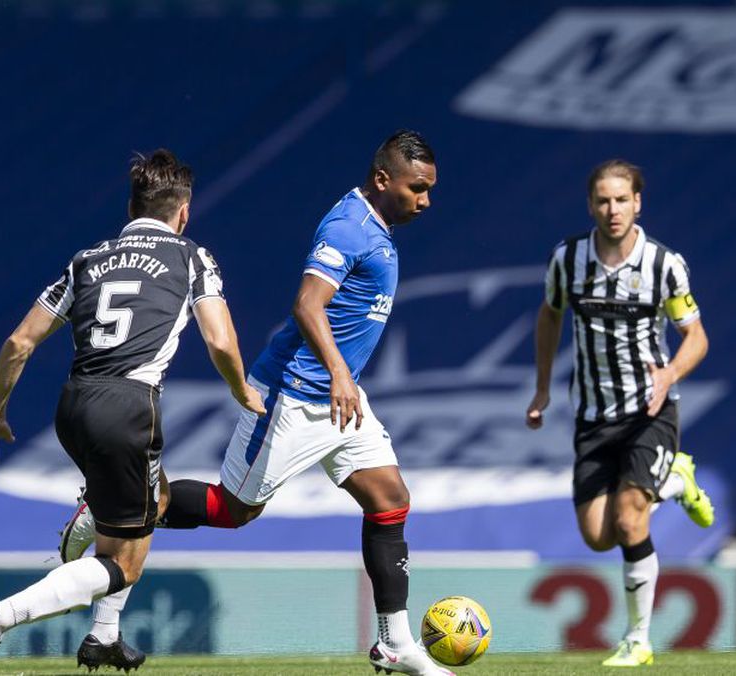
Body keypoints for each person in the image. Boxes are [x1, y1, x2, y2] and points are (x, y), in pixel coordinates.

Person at [60, 130, 452, 676]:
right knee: (234, 510)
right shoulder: (347, 227)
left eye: (429, 189)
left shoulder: (376, 228)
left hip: (340, 397)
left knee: (389, 499)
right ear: (383, 179)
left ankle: (395, 643)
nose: (425, 200)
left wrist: (344, 379)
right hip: (293, 395)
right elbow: (307, 304)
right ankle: (114, 505)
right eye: (417, 188)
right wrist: (339, 372)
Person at [0, 149, 265, 676]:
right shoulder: (190, 256)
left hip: (73, 406)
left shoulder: (87, 259)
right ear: (183, 210)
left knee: (157, 499)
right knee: (122, 562)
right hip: (130, 409)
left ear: (131, 206)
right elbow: (220, 340)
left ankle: (104, 636)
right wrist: (240, 390)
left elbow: (18, 342)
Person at [525, 159, 714, 667]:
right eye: (603, 201)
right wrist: (543, 388)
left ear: (638, 203)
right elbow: (550, 314)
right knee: (597, 534)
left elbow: (695, 337)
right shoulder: (568, 260)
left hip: (648, 411)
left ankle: (638, 639)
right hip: (592, 415)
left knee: (631, 520)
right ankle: (675, 482)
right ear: (591, 205)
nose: (613, 210)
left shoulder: (663, 265)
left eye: (621, 200)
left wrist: (670, 374)